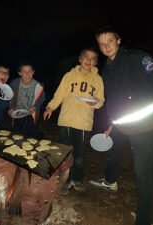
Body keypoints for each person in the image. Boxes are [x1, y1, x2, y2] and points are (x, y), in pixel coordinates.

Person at [89, 26, 153, 225]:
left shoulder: (136, 57)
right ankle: (111, 181)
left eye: (109, 41)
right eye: (101, 44)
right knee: (111, 149)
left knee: (143, 173)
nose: (106, 46)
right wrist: (111, 124)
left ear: (119, 40)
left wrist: (152, 111)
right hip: (122, 124)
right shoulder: (107, 68)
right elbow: (113, 99)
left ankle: (144, 218)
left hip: (144, 126)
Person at [43, 47, 105, 194]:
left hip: (84, 122)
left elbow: (101, 100)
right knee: (65, 152)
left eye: (92, 59)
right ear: (80, 59)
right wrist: (50, 107)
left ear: (95, 62)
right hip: (67, 120)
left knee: (80, 154)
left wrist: (95, 103)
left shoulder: (98, 79)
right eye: (86, 57)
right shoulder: (69, 76)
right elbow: (59, 95)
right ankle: (65, 179)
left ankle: (78, 178)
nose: (89, 61)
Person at [8, 61, 45, 138]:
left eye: (29, 71)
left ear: (33, 72)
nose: (27, 74)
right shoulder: (14, 83)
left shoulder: (38, 86)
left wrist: (35, 107)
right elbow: (11, 98)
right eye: (24, 72)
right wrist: (11, 108)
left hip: (30, 113)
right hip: (17, 113)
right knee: (17, 135)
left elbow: (42, 97)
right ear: (19, 73)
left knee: (31, 135)